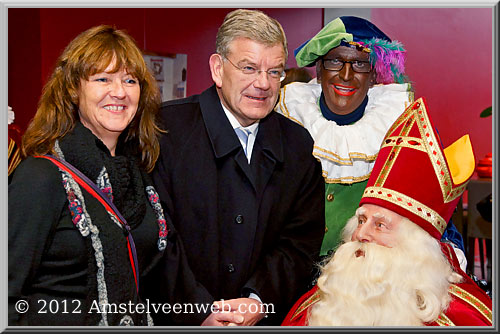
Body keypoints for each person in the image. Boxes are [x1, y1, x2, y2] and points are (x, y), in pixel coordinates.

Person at [8, 25, 224, 326]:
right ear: (73, 89)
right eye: (102, 79)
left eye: (130, 80)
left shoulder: (140, 176)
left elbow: (164, 276)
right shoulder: (40, 177)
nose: (119, 92)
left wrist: (204, 316)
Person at [152, 9, 325, 326]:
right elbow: (156, 237)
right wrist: (200, 312)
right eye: (249, 68)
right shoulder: (163, 132)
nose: (263, 84)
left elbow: (300, 243)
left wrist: (258, 300)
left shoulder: (297, 145)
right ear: (218, 69)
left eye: (274, 72)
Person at [275, 15, 466, 269]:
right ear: (319, 70)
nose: (346, 74)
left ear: (374, 76)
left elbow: (432, 215)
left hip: (367, 276)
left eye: (360, 64)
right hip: (289, 271)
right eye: (335, 61)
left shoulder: (402, 129)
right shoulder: (285, 120)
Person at [281, 98, 492, 326]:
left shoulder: (464, 318)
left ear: (416, 248)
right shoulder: (317, 305)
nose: (361, 234)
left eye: (380, 225)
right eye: (361, 220)